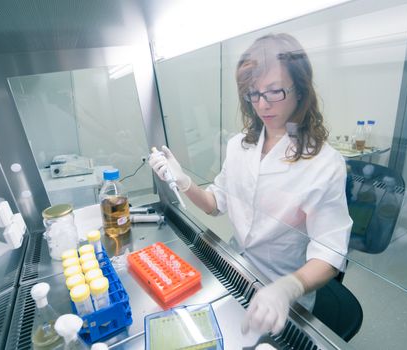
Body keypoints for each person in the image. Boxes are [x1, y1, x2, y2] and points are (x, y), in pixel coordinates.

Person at [149, 33, 352, 335]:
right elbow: (215, 204)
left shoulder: (325, 163)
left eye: (274, 92)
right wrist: (184, 181)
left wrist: (288, 288)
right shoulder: (239, 146)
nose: (262, 105)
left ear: (300, 89)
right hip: (236, 270)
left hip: (283, 295)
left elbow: (329, 255)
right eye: (253, 94)